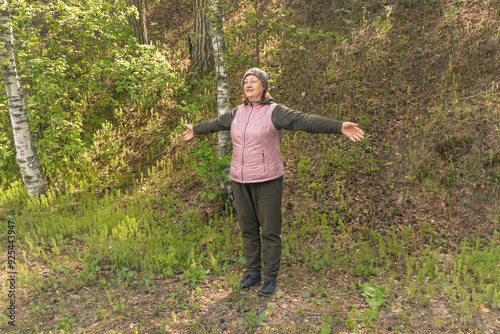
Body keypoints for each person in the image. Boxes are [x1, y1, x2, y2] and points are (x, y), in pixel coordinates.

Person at [182, 68, 364, 297]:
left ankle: (270, 277)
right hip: (240, 180)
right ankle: (253, 273)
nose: (248, 85)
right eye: (245, 82)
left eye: (254, 81)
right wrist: (195, 130)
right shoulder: (237, 112)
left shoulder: (275, 112)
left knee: (269, 231)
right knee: (248, 230)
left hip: (268, 180)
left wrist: (338, 127)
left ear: (264, 87)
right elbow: (216, 123)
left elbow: (304, 121)